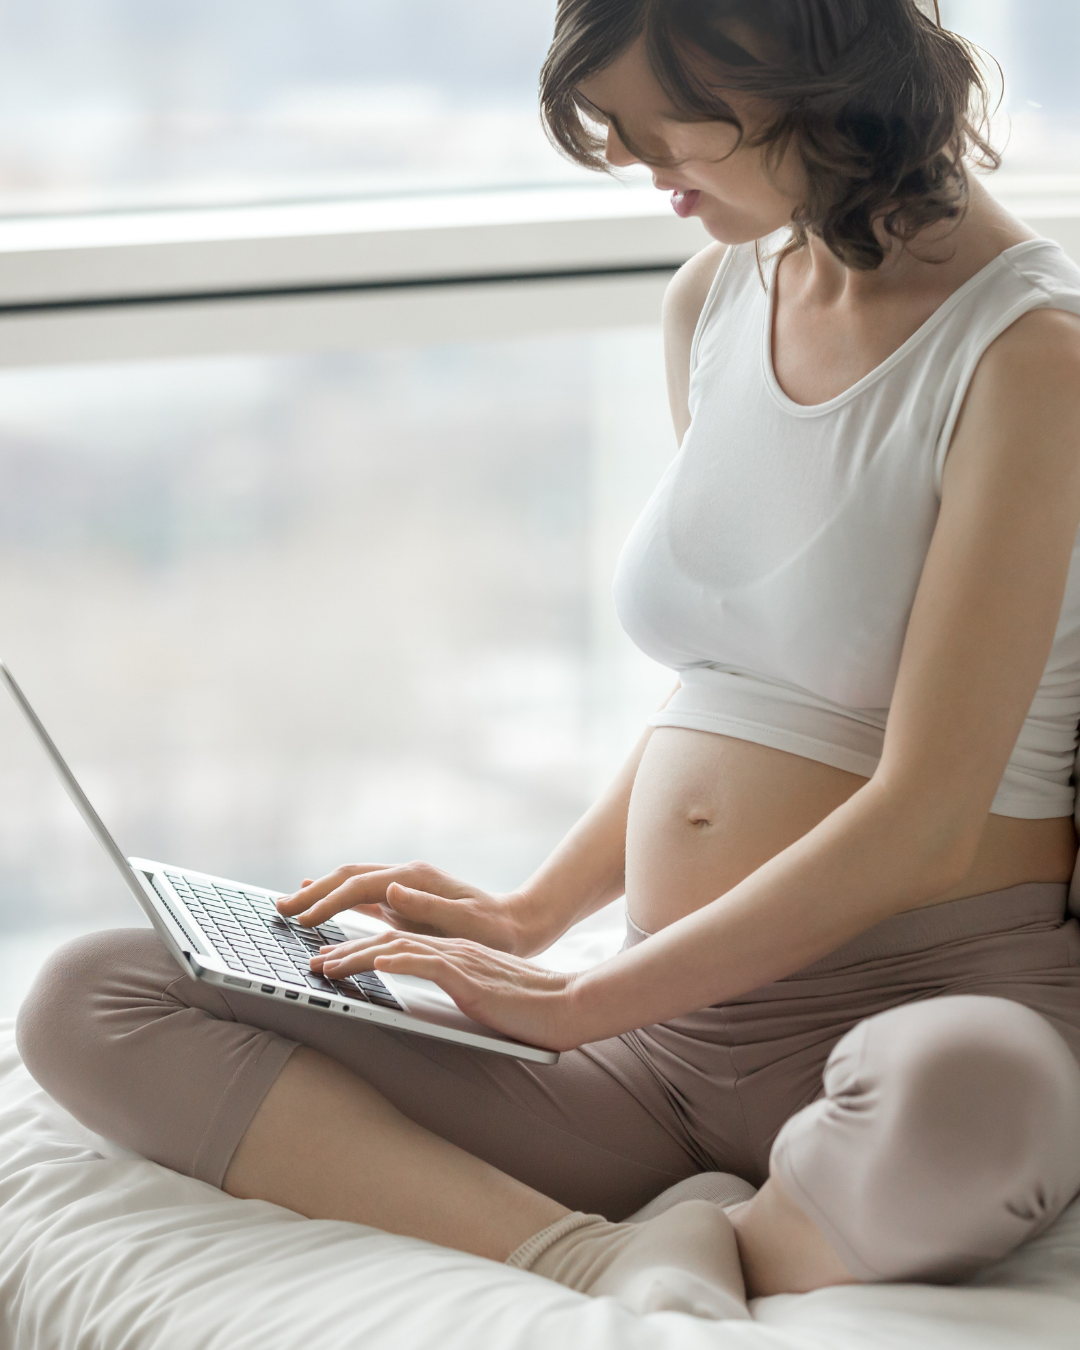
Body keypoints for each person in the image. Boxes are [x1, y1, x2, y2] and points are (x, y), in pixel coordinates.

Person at [17, 0, 1080, 1319]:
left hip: (907, 1017)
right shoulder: (715, 294)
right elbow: (726, 686)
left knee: (972, 1102)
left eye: (665, 129)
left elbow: (925, 816)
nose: (645, 172)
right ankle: (590, 1248)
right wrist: (533, 922)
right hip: (659, 1041)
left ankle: (756, 1216)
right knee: (96, 991)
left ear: (808, 71)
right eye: (613, 136)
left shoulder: (1029, 358)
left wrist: (578, 1003)